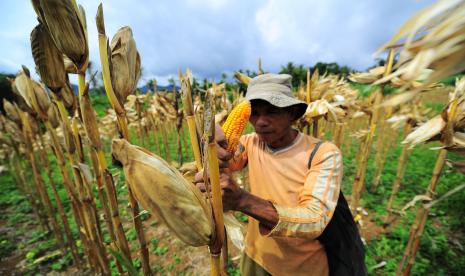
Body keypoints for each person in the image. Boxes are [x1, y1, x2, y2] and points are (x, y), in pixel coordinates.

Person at [195, 73, 366, 276]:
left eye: (272, 112)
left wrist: (242, 200)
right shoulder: (250, 143)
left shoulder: (322, 153)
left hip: (302, 267)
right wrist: (211, 140)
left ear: (292, 113)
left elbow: (314, 220)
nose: (260, 122)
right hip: (256, 256)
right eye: (255, 113)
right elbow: (224, 161)